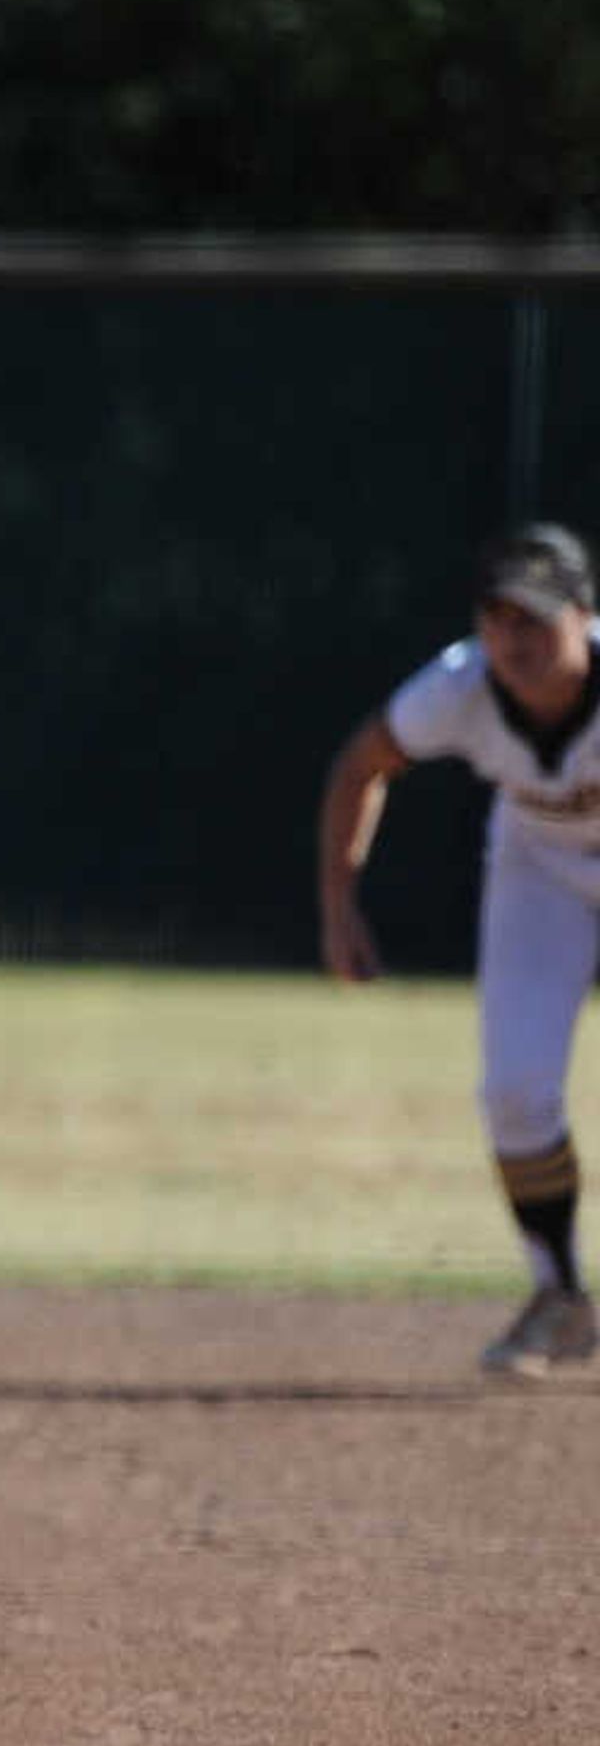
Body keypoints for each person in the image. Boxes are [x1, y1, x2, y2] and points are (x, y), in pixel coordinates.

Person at [318, 519, 600, 1375]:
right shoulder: (458, 687)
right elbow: (361, 764)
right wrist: (339, 907)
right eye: (498, 617)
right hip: (539, 870)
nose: (514, 639)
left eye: (536, 619)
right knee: (514, 1091)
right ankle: (560, 1300)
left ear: (584, 617)